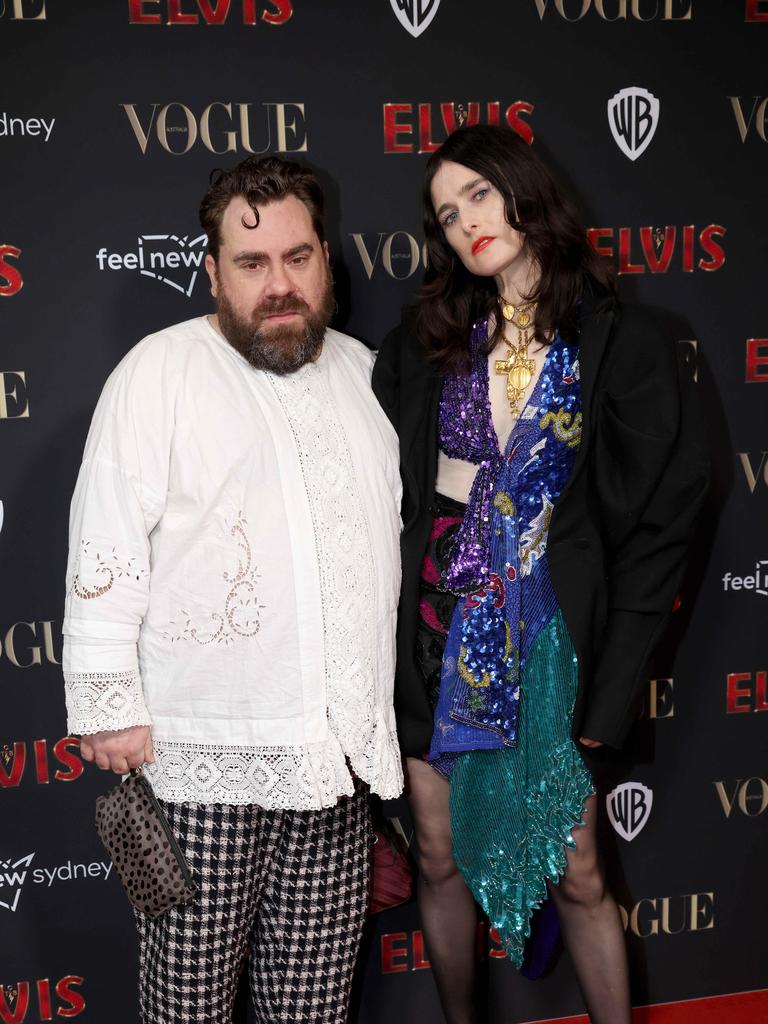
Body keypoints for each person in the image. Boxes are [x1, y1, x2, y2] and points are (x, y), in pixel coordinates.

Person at [372, 124, 709, 1024]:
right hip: (435, 633)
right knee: (437, 856)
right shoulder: (425, 339)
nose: (466, 223)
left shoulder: (621, 339)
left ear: (525, 189)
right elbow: (389, 497)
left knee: (581, 869)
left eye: (479, 194)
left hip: (551, 641)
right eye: (447, 213)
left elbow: (657, 532)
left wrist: (611, 694)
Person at [62, 155, 403, 1024]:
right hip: (198, 762)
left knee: (314, 1007)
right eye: (252, 264)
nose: (279, 285)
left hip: (335, 769)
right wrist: (105, 700)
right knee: (188, 1010)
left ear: (327, 259)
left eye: (297, 258)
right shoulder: (160, 370)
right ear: (213, 271)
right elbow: (104, 532)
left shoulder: (369, 376)